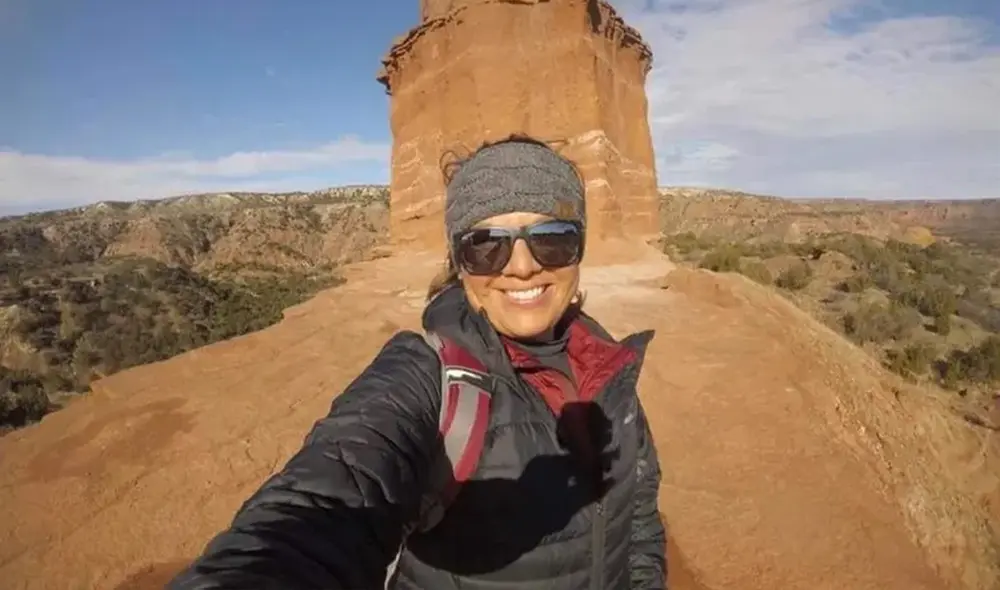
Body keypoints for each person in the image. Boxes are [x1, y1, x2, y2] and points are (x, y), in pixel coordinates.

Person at [167, 135, 667, 589]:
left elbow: (640, 520)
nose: (522, 266)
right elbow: (325, 498)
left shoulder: (607, 365)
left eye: (552, 238)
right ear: (459, 264)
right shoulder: (428, 376)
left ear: (579, 249)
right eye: (486, 246)